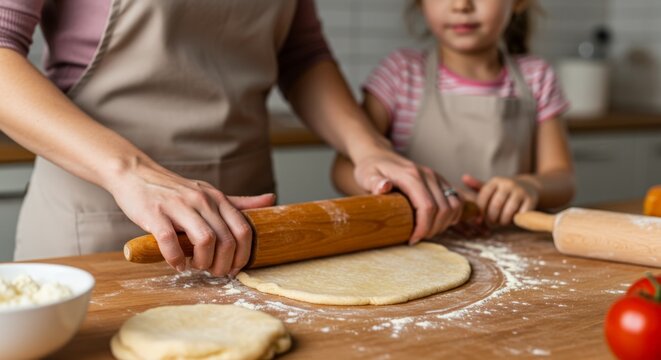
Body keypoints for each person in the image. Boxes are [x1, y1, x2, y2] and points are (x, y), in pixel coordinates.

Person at [0, 0, 464, 275]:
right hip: (97, 205)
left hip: (242, 223)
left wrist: (368, 147)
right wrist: (131, 172)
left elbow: (302, 56)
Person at [332, 0, 575, 229]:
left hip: (514, 246)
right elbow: (344, 168)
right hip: (419, 247)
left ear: (519, 2)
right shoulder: (400, 75)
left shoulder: (537, 78)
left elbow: (562, 180)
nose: (461, 5)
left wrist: (531, 186)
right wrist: (401, 195)